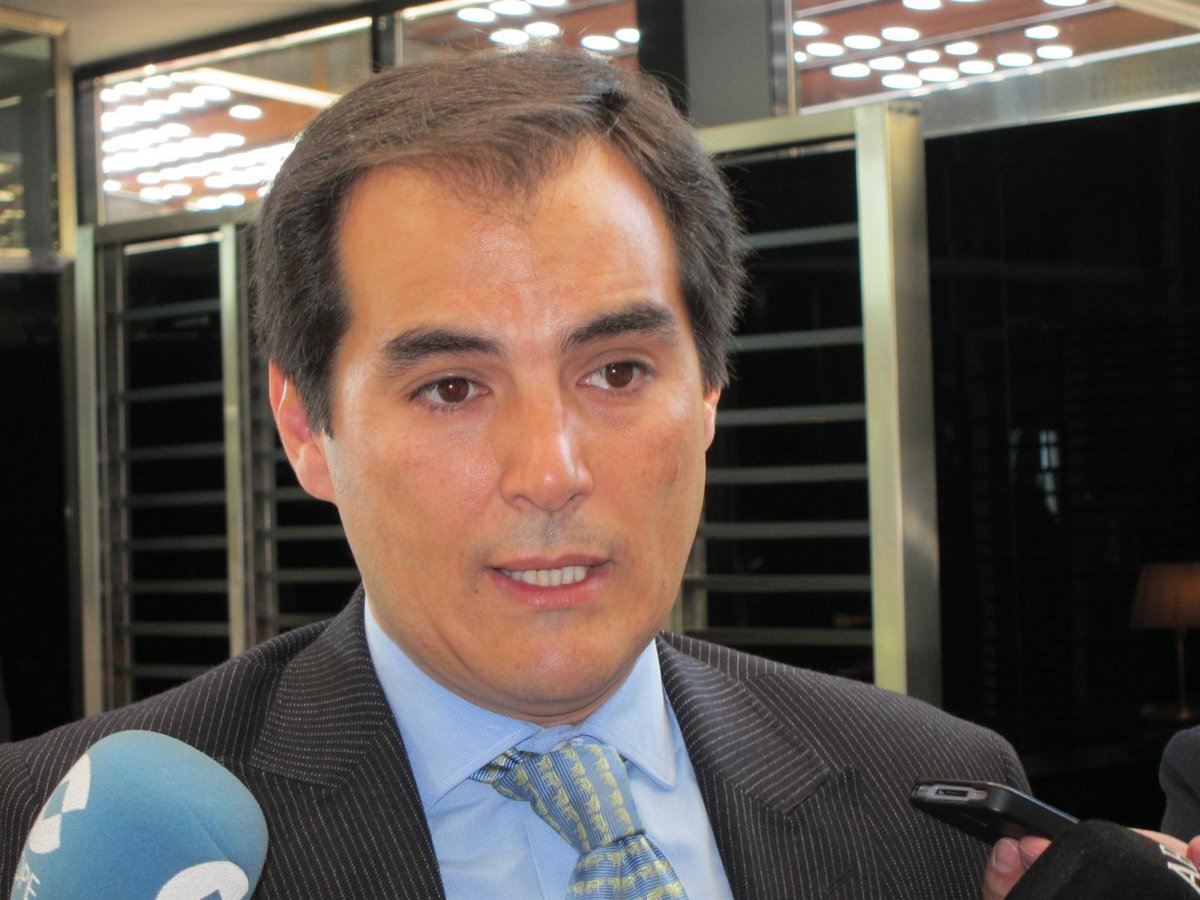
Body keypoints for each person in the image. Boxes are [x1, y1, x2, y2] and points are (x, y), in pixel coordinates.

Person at [3, 48, 1037, 898]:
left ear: (709, 393)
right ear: (306, 427)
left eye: (618, 372)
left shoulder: (936, 808)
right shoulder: (53, 840)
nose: (552, 472)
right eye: (452, 388)